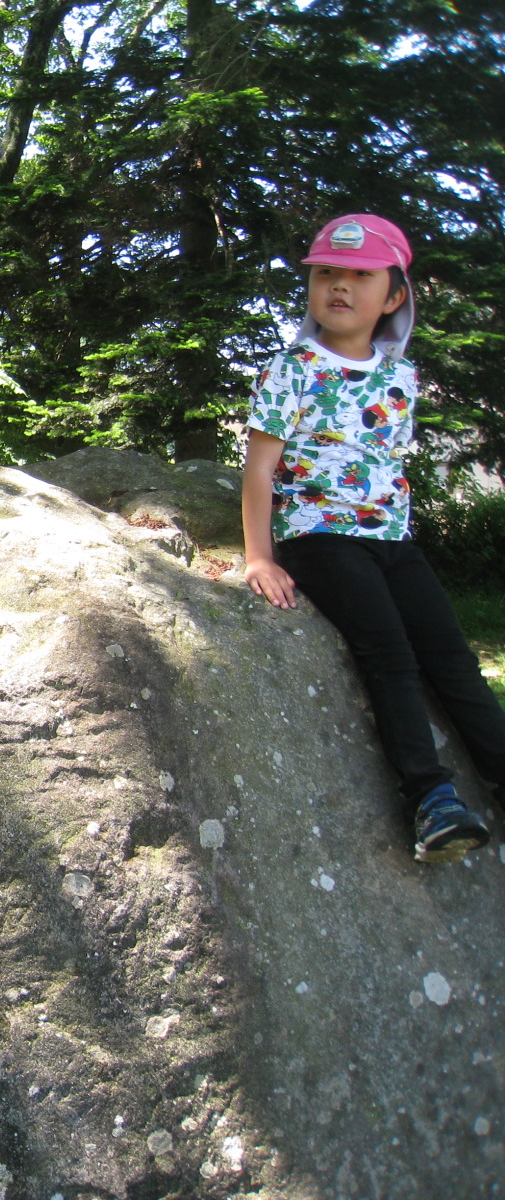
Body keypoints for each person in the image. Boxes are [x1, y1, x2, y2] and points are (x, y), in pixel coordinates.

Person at [241, 212, 505, 863]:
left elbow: (385, 459)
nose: (339, 285)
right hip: (320, 535)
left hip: (392, 539)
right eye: (326, 273)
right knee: (389, 653)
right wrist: (259, 557)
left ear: (393, 297)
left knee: (451, 657)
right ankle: (431, 798)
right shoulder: (292, 368)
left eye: (360, 276)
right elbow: (260, 469)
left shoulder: (400, 376)